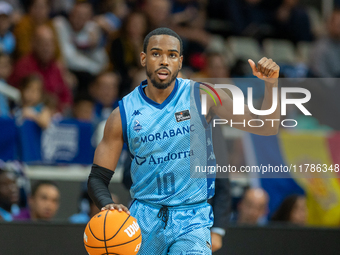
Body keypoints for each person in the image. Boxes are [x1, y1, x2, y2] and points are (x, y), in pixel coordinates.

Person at [87, 27, 280, 254]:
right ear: (143, 58)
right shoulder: (123, 114)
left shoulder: (204, 95)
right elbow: (98, 177)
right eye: (156, 53)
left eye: (171, 55)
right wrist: (107, 204)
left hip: (192, 218)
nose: (164, 61)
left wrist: (271, 86)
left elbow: (266, 126)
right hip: (144, 217)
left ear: (180, 61)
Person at [9, 25, 72, 111]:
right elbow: (17, 97)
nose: (47, 48)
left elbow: (66, 97)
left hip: (56, 116)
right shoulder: (23, 65)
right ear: (34, 43)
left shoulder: (56, 67)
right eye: (43, 43)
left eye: (50, 44)